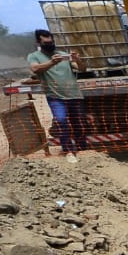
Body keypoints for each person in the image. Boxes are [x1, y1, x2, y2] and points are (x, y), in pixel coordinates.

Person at [27, 29, 86, 163]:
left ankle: (83, 149)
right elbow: (35, 69)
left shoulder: (63, 55)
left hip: (74, 95)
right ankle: (68, 151)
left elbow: (82, 69)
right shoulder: (34, 56)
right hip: (55, 96)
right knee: (61, 121)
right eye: (46, 43)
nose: (50, 44)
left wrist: (78, 60)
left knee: (80, 123)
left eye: (51, 42)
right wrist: (52, 62)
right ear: (38, 43)